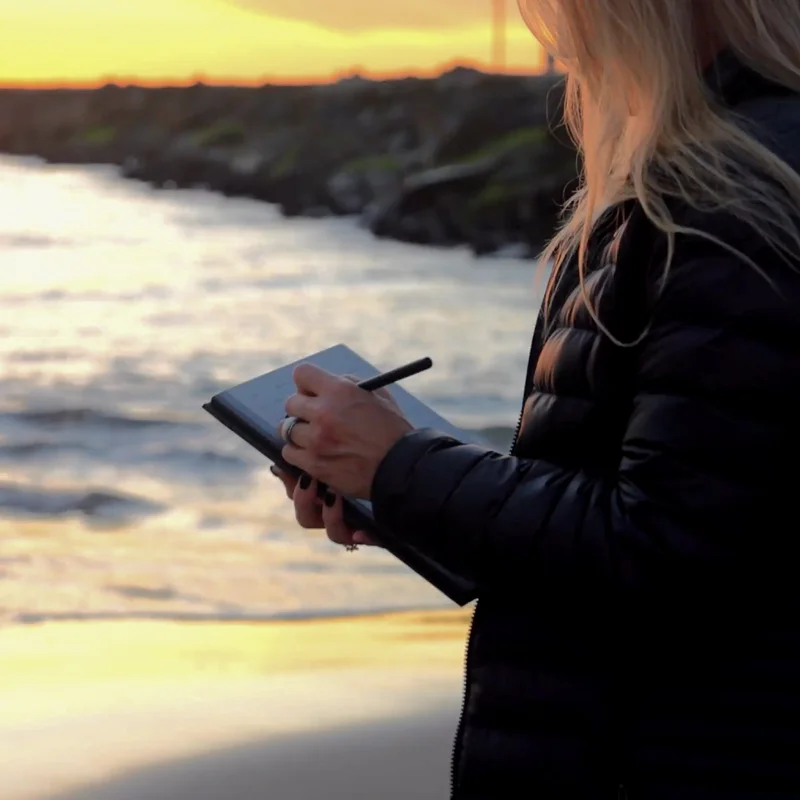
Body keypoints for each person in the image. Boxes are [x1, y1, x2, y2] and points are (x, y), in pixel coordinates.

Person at [272, 1, 800, 797]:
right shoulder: (740, 173)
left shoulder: (727, 200)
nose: (558, 34)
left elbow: (663, 550)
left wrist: (401, 466)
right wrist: (401, 495)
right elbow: (714, 514)